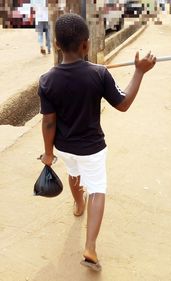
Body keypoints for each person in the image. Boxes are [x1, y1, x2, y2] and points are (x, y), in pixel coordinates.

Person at [38, 13, 156, 271]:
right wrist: (139, 72)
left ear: (56, 44)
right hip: (92, 148)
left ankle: (78, 204)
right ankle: (90, 247)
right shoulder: (99, 74)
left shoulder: (47, 80)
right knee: (98, 190)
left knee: (73, 173)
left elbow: (48, 122)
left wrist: (48, 154)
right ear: (86, 44)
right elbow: (123, 103)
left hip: (64, 147)